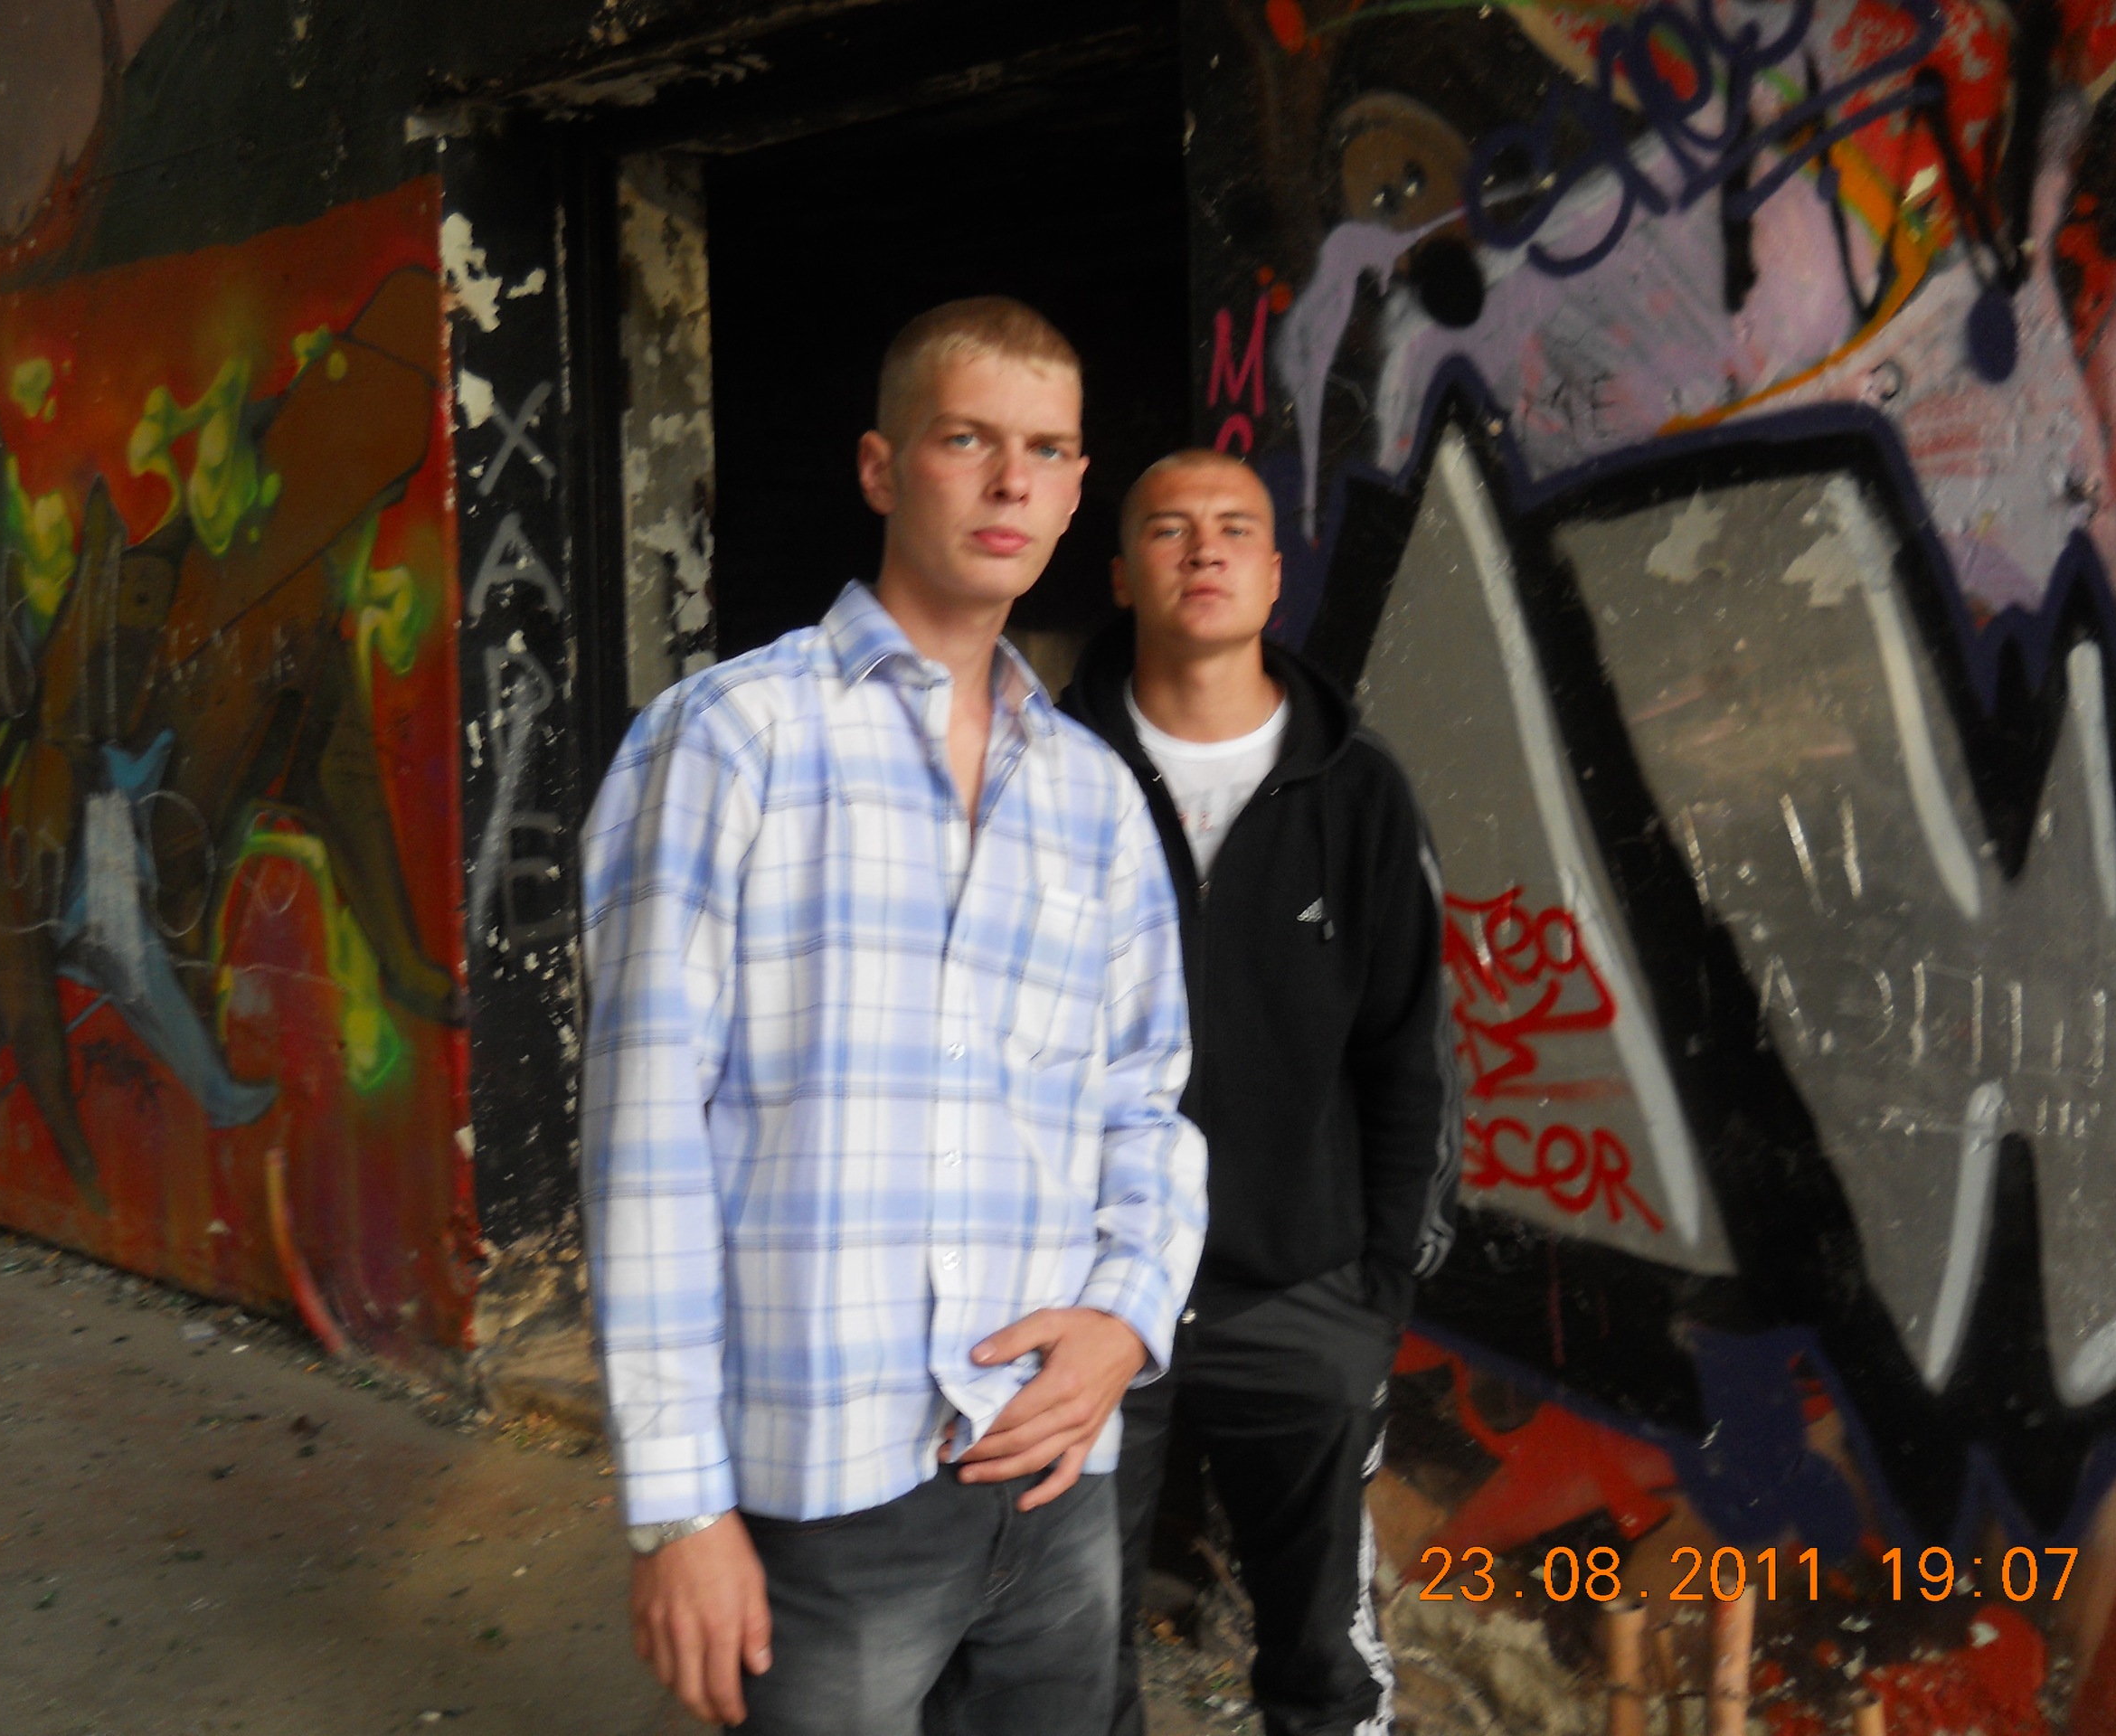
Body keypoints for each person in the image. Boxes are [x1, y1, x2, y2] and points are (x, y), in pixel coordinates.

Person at [578, 297, 1208, 1735]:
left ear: (1075, 489)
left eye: (1046, 452)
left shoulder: (1094, 797)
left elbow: (1145, 1100)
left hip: (1055, 1468)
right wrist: (677, 1510)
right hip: (827, 1488)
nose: (1010, 483)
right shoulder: (733, 741)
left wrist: (1128, 1315)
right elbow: (642, 1140)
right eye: (966, 440)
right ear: (881, 468)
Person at [1061, 449, 1460, 1736]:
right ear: (1122, 574)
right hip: (1084, 1295)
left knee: (1322, 1664)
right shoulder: (1048, 773)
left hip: (1302, 1298)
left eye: (1234, 528)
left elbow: (1408, 1057)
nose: (1204, 550)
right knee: (1066, 1659)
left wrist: (1375, 1291)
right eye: (1168, 529)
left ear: (1276, 574)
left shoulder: (1360, 789)